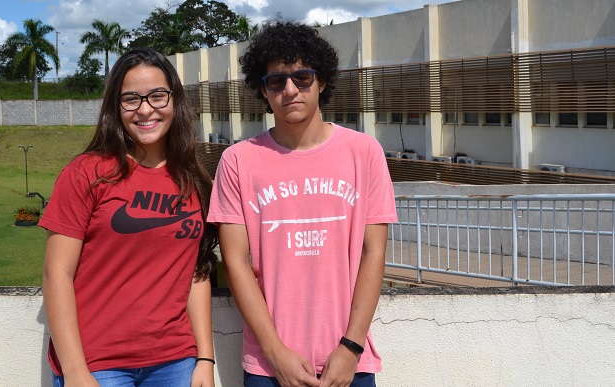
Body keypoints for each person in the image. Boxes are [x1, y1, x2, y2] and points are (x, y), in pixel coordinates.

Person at [208, 20, 398, 387]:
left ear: (321, 81)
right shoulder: (238, 161)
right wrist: (275, 353)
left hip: (348, 363)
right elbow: (235, 262)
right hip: (268, 366)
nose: (290, 90)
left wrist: (351, 347)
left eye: (302, 77)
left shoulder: (365, 153)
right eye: (276, 82)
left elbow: (373, 253)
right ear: (263, 91)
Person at [40, 48, 218, 387]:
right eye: (131, 99)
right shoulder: (86, 173)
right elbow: (55, 275)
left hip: (175, 362)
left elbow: (196, 272)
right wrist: (76, 371)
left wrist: (205, 358)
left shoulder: (194, 180)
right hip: (98, 364)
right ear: (115, 107)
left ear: (175, 101)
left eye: (157, 96)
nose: (146, 109)